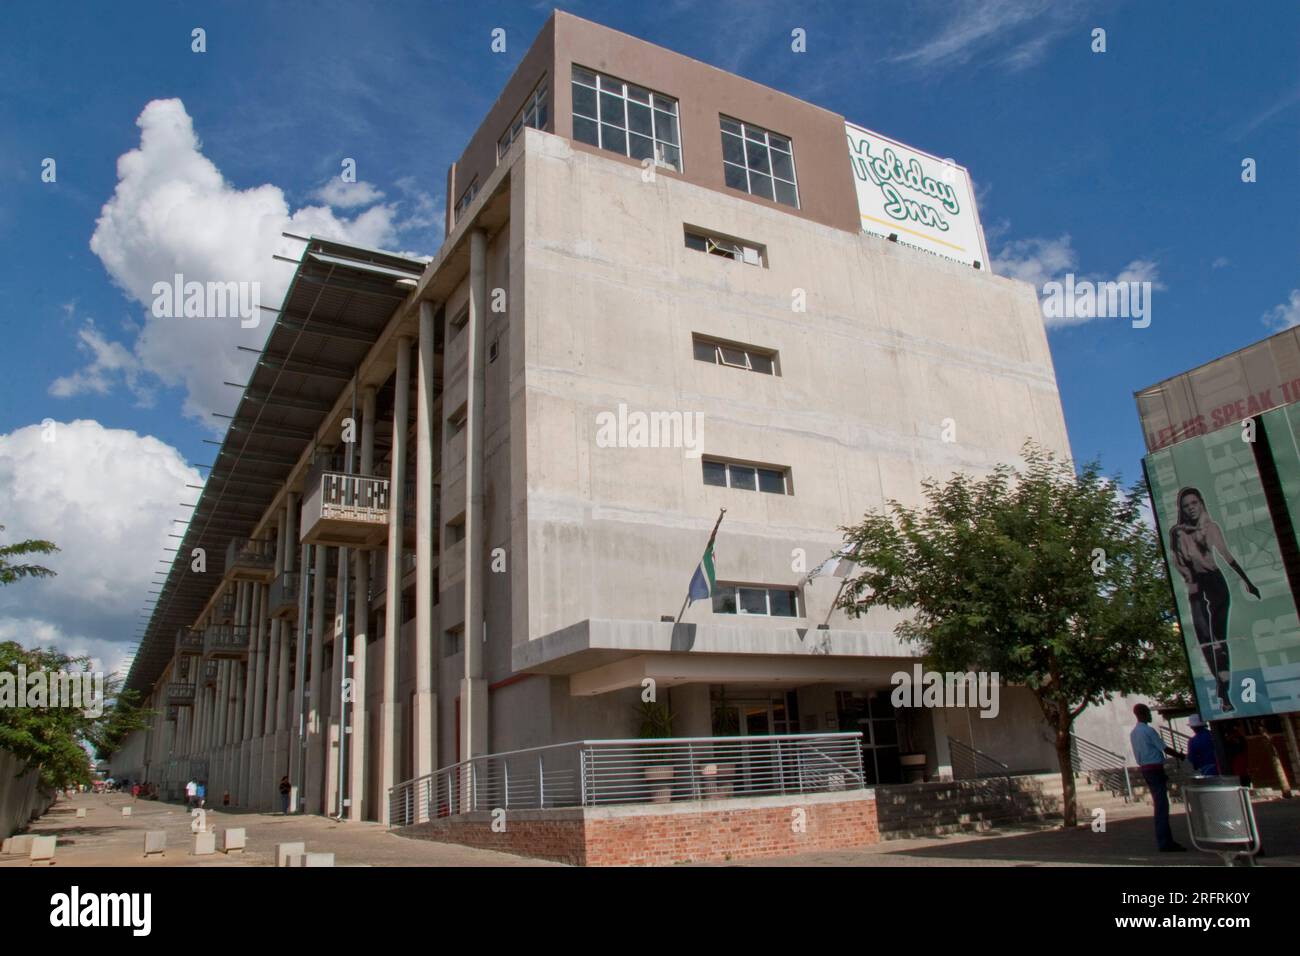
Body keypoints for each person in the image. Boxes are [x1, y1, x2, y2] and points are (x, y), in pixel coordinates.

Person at [1168, 487, 1260, 714]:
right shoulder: (1177, 532)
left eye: (1194, 503)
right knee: (1205, 641)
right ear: (1182, 509)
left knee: (1219, 641)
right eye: (1186, 505)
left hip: (1215, 583)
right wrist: (1188, 577)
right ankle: (1222, 689)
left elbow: (1226, 555)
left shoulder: (1211, 528)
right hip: (1195, 586)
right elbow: (1177, 561)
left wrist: (1248, 581)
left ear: (1201, 504)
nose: (1191, 508)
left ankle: (1224, 694)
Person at [1130, 703, 1186, 852]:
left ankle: (1164, 839)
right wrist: (1180, 755)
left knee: (1160, 803)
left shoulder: (1134, 733)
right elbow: (1163, 747)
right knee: (1162, 805)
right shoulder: (1148, 731)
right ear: (1143, 714)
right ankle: (1165, 841)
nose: (1150, 715)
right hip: (1154, 768)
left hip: (1146, 768)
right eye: (1148, 712)